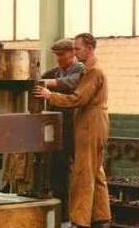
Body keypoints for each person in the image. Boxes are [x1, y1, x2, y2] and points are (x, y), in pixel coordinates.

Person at [34, 33, 111, 228]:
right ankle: (101, 217)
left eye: (77, 49)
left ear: (89, 48)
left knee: (82, 173)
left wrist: (50, 96)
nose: (75, 53)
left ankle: (79, 221)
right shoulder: (89, 69)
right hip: (93, 123)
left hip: (89, 124)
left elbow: (78, 99)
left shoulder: (93, 71)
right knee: (95, 172)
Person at [40, 38, 85, 224]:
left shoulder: (80, 69)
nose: (58, 58)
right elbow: (40, 79)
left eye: (62, 54)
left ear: (73, 53)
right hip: (56, 126)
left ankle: (68, 217)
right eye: (56, 55)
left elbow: (71, 83)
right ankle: (61, 216)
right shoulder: (55, 72)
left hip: (73, 127)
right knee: (56, 169)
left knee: (67, 171)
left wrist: (47, 84)